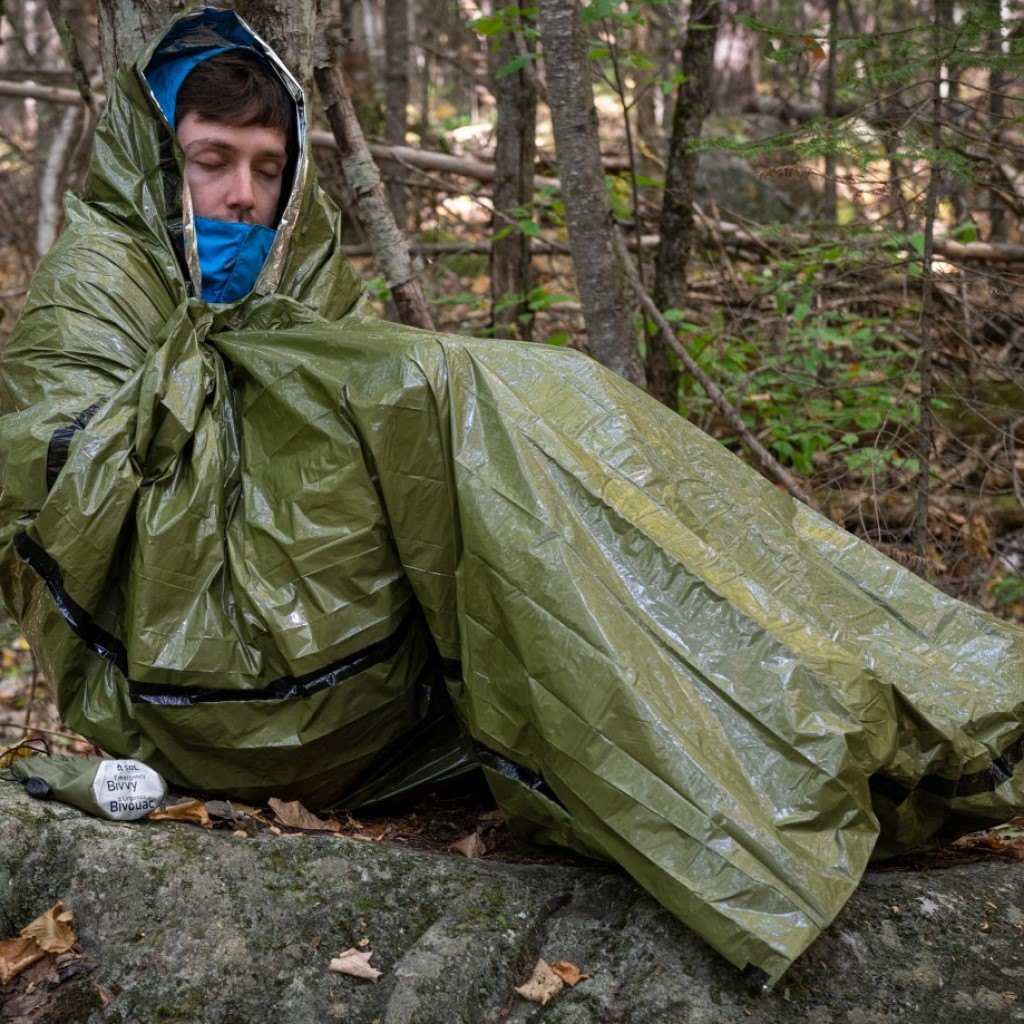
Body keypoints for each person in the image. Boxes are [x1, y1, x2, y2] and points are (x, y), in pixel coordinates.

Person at [2, 6, 1023, 990]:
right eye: (211, 158)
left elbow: (365, 427)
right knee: (454, 393)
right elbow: (49, 507)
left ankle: (844, 695)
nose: (241, 194)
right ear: (157, 157)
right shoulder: (99, 279)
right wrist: (225, 381)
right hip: (187, 680)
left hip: (361, 679)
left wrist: (311, 385)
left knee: (548, 412)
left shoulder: (295, 268)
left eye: (267, 169)